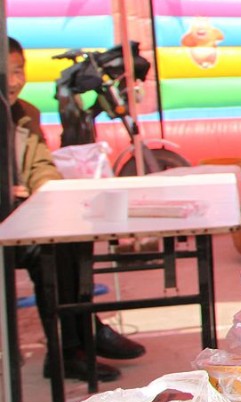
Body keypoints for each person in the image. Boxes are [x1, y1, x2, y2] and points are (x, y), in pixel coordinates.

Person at [7, 38, 145, 382]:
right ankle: (68, 349)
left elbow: (40, 165)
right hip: (7, 224)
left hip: (21, 214)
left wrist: (50, 192)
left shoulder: (25, 113)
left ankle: (84, 330)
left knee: (75, 235)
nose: (14, 81)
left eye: (19, 70)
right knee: (51, 252)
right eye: (5, 72)